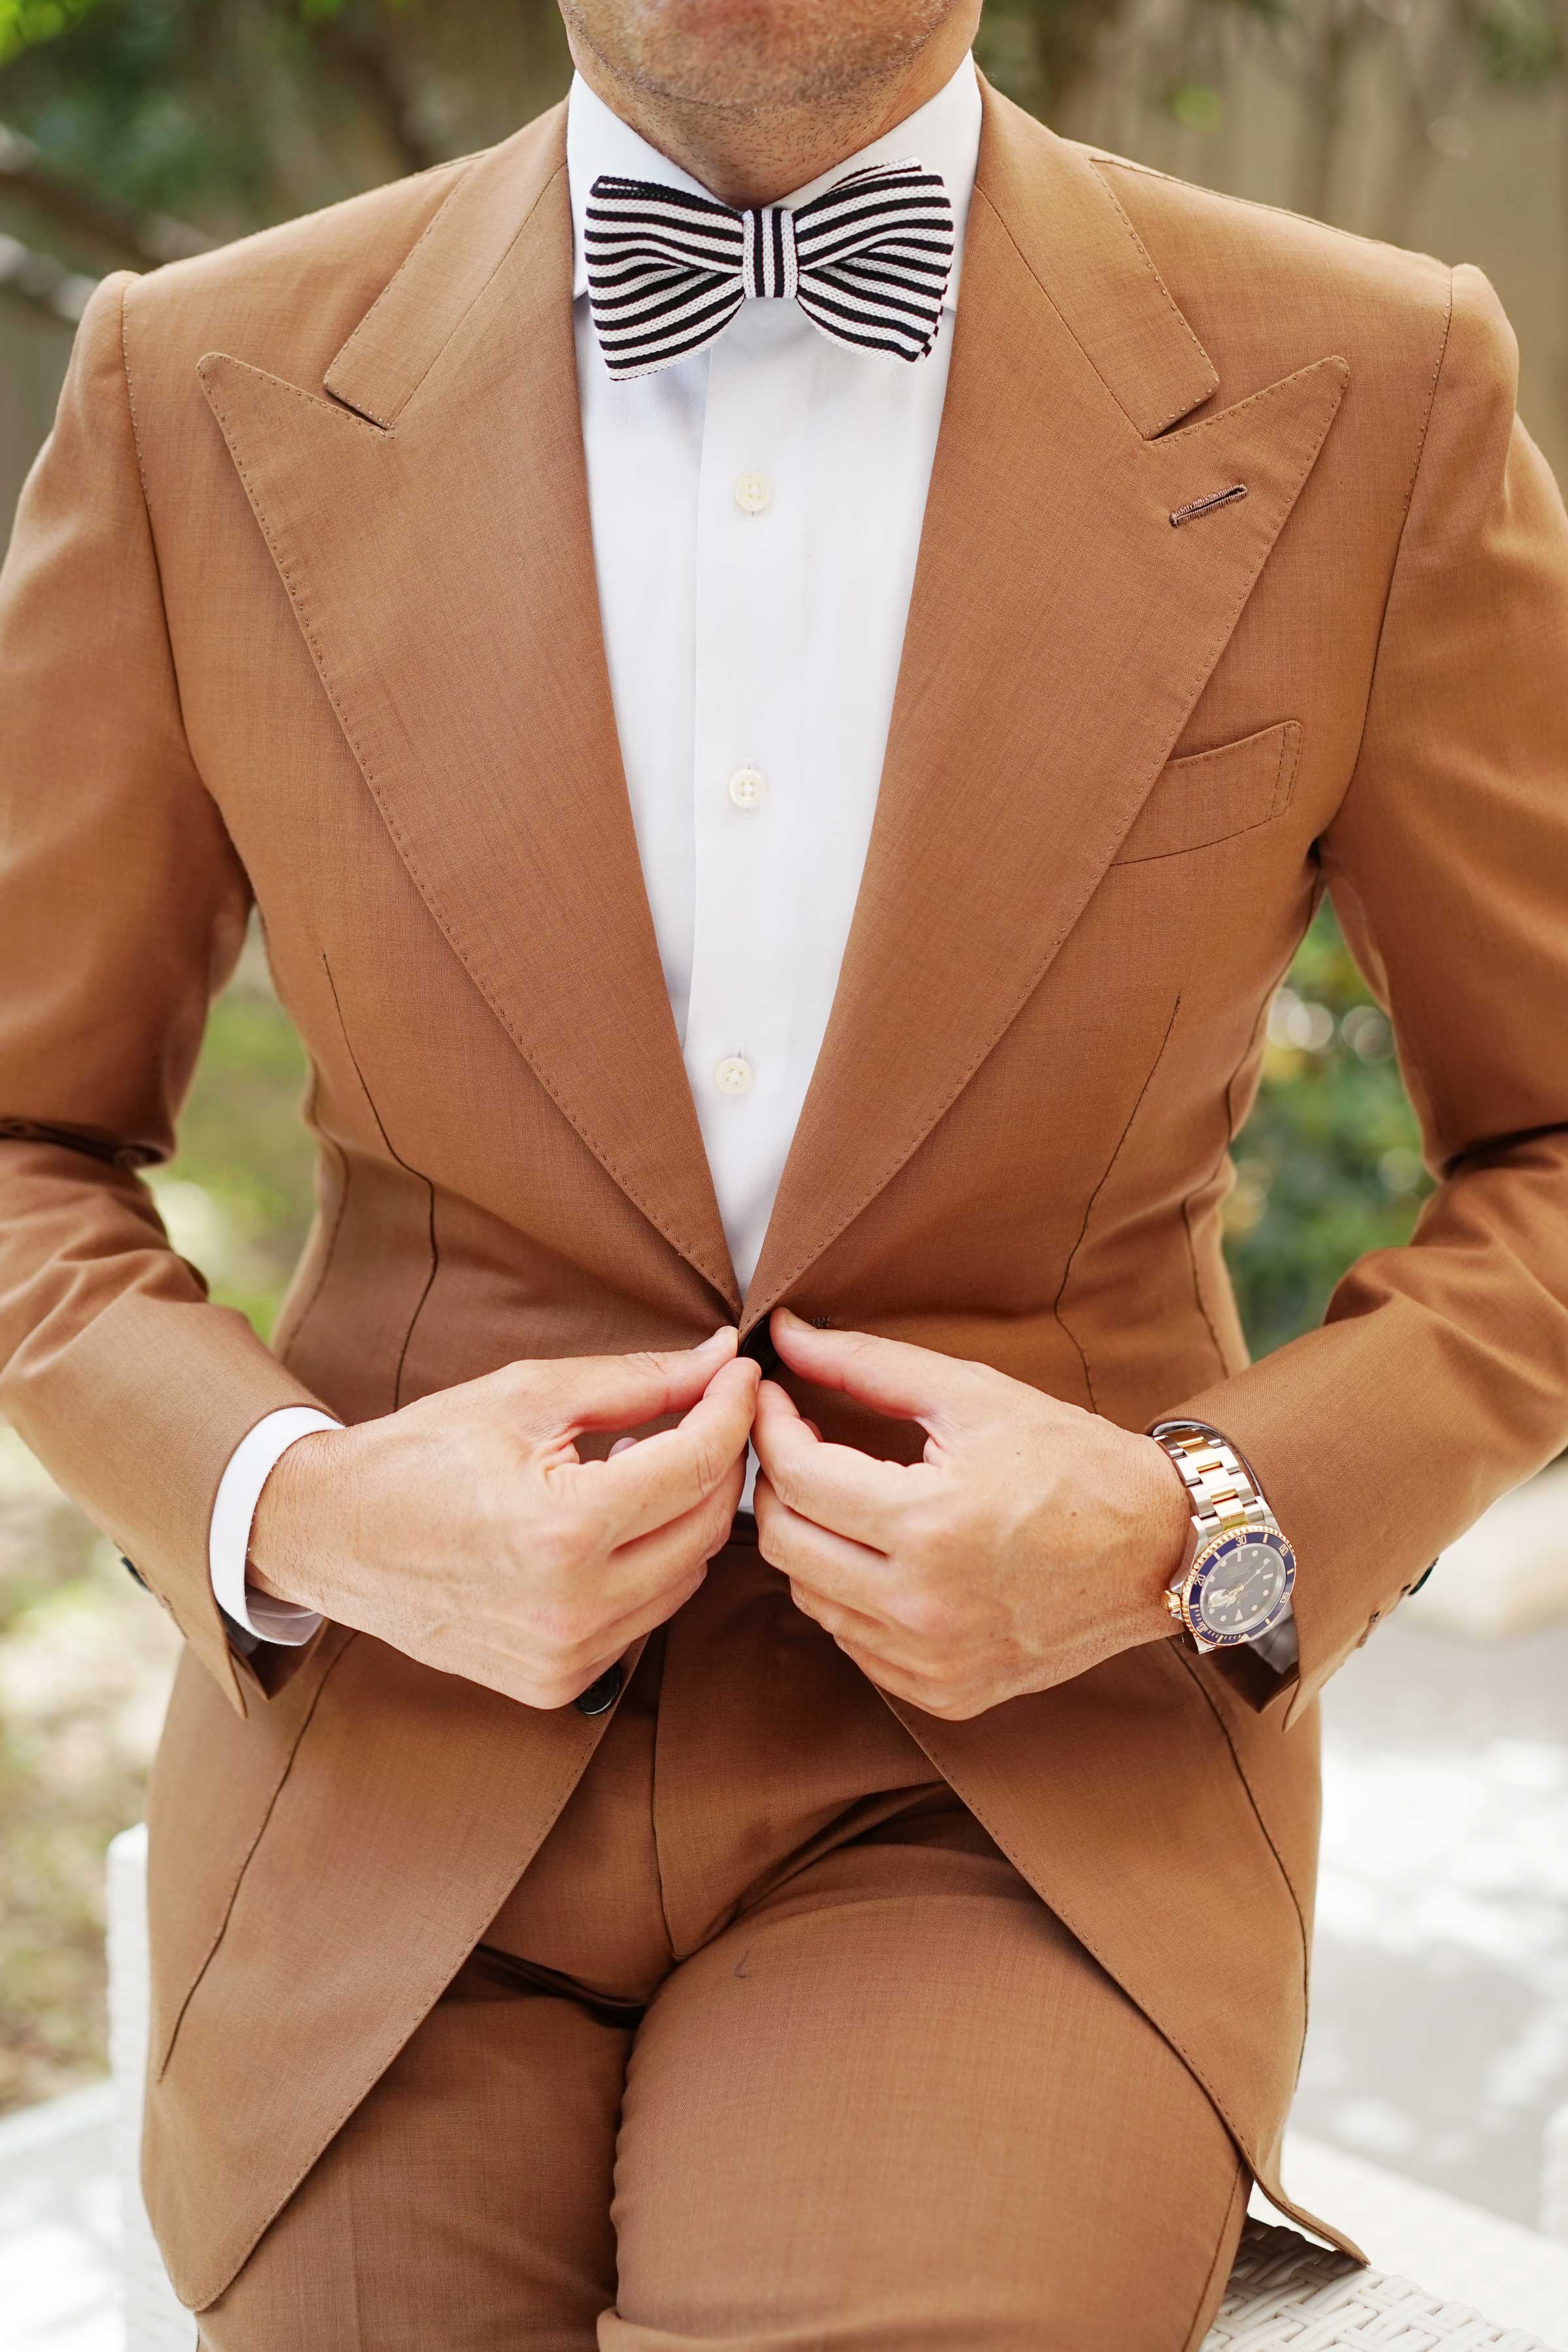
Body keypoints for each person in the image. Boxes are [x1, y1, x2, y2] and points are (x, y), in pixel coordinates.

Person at [2, 0, 1565, 2342]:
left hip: (1023, 1784)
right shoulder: (189, 381)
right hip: (395, 1775)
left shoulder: (1376, 378)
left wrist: (1192, 1525)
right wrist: (301, 1508)